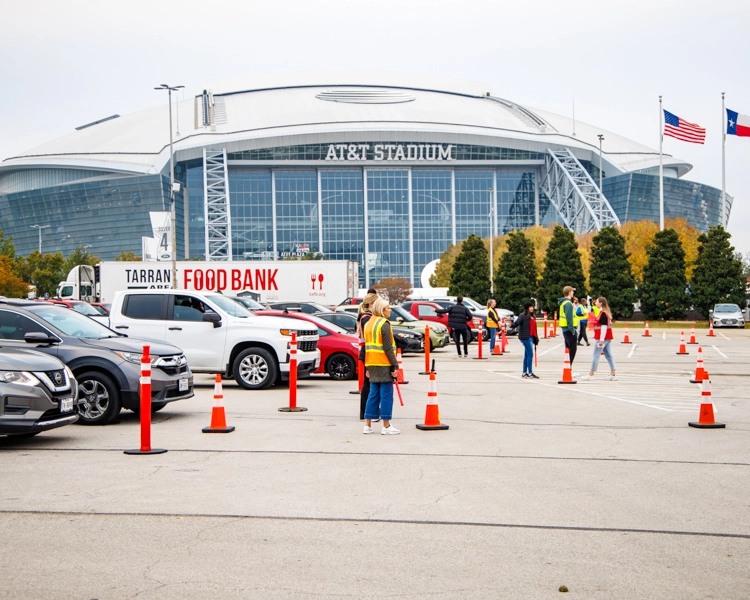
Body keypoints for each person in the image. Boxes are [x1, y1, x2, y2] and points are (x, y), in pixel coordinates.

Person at [363, 298, 400, 435]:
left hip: (372, 362)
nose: (390, 310)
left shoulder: (368, 323)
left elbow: (367, 347)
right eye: (388, 308)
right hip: (384, 363)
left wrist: (367, 367)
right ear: (382, 310)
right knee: (386, 395)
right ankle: (386, 425)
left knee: (373, 394)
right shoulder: (384, 324)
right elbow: (388, 347)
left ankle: (367, 425)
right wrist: (395, 365)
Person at [581, 297, 617, 381]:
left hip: (602, 338)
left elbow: (604, 327)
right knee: (608, 355)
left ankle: (591, 374)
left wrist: (601, 340)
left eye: (597, 301)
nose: (595, 302)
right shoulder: (603, 313)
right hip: (606, 337)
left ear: (601, 303)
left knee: (595, 355)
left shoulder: (603, 314)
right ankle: (613, 373)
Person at [356, 291, 379, 421]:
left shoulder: (365, 317)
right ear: (371, 304)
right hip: (368, 351)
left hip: (368, 350)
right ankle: (366, 412)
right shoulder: (366, 318)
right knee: (369, 383)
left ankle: (367, 412)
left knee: (369, 382)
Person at [513, 301, 539, 378]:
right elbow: (516, 323)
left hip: (531, 337)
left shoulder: (532, 316)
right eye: (530, 307)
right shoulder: (522, 316)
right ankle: (530, 372)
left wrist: (535, 338)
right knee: (530, 354)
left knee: (527, 355)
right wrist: (510, 325)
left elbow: (534, 328)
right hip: (525, 337)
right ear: (527, 308)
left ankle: (524, 372)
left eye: (532, 307)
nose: (532, 308)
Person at [558, 285, 578, 373]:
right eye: (572, 291)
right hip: (569, 330)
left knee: (567, 350)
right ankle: (568, 369)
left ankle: (568, 369)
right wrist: (572, 330)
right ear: (569, 292)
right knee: (572, 350)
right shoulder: (568, 304)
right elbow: (569, 318)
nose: (573, 292)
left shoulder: (563, 303)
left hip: (565, 329)